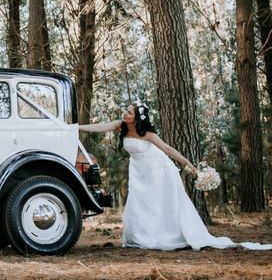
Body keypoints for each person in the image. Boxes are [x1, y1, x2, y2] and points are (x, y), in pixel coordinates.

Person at [79, 101, 271, 251]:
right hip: (139, 171)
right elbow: (99, 126)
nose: (125, 113)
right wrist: (76, 128)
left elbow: (167, 149)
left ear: (136, 118)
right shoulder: (120, 126)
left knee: (160, 203)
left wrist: (189, 165)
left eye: (129, 112)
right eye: (127, 111)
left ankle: (168, 235)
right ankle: (140, 237)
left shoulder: (147, 134)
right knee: (139, 200)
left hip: (159, 170)